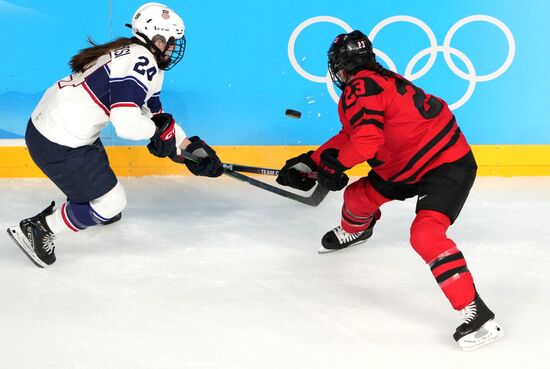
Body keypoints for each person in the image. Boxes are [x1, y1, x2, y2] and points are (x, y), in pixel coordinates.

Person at [276, 30, 504, 351]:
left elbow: (367, 142)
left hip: (444, 163)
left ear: (340, 67)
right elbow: (351, 135)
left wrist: (333, 166)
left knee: (426, 234)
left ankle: (476, 312)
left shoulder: (358, 88)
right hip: (407, 164)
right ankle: (357, 231)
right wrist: (312, 162)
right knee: (356, 198)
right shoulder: (377, 80)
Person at [7, 2, 223, 268]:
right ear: (155, 37)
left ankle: (87, 204)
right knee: (111, 203)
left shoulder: (135, 54)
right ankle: (41, 228)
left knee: (105, 201)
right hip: (58, 141)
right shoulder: (140, 61)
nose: (172, 47)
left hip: (57, 129)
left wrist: (188, 146)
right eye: (170, 41)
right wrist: (159, 135)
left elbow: (156, 116)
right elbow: (127, 124)